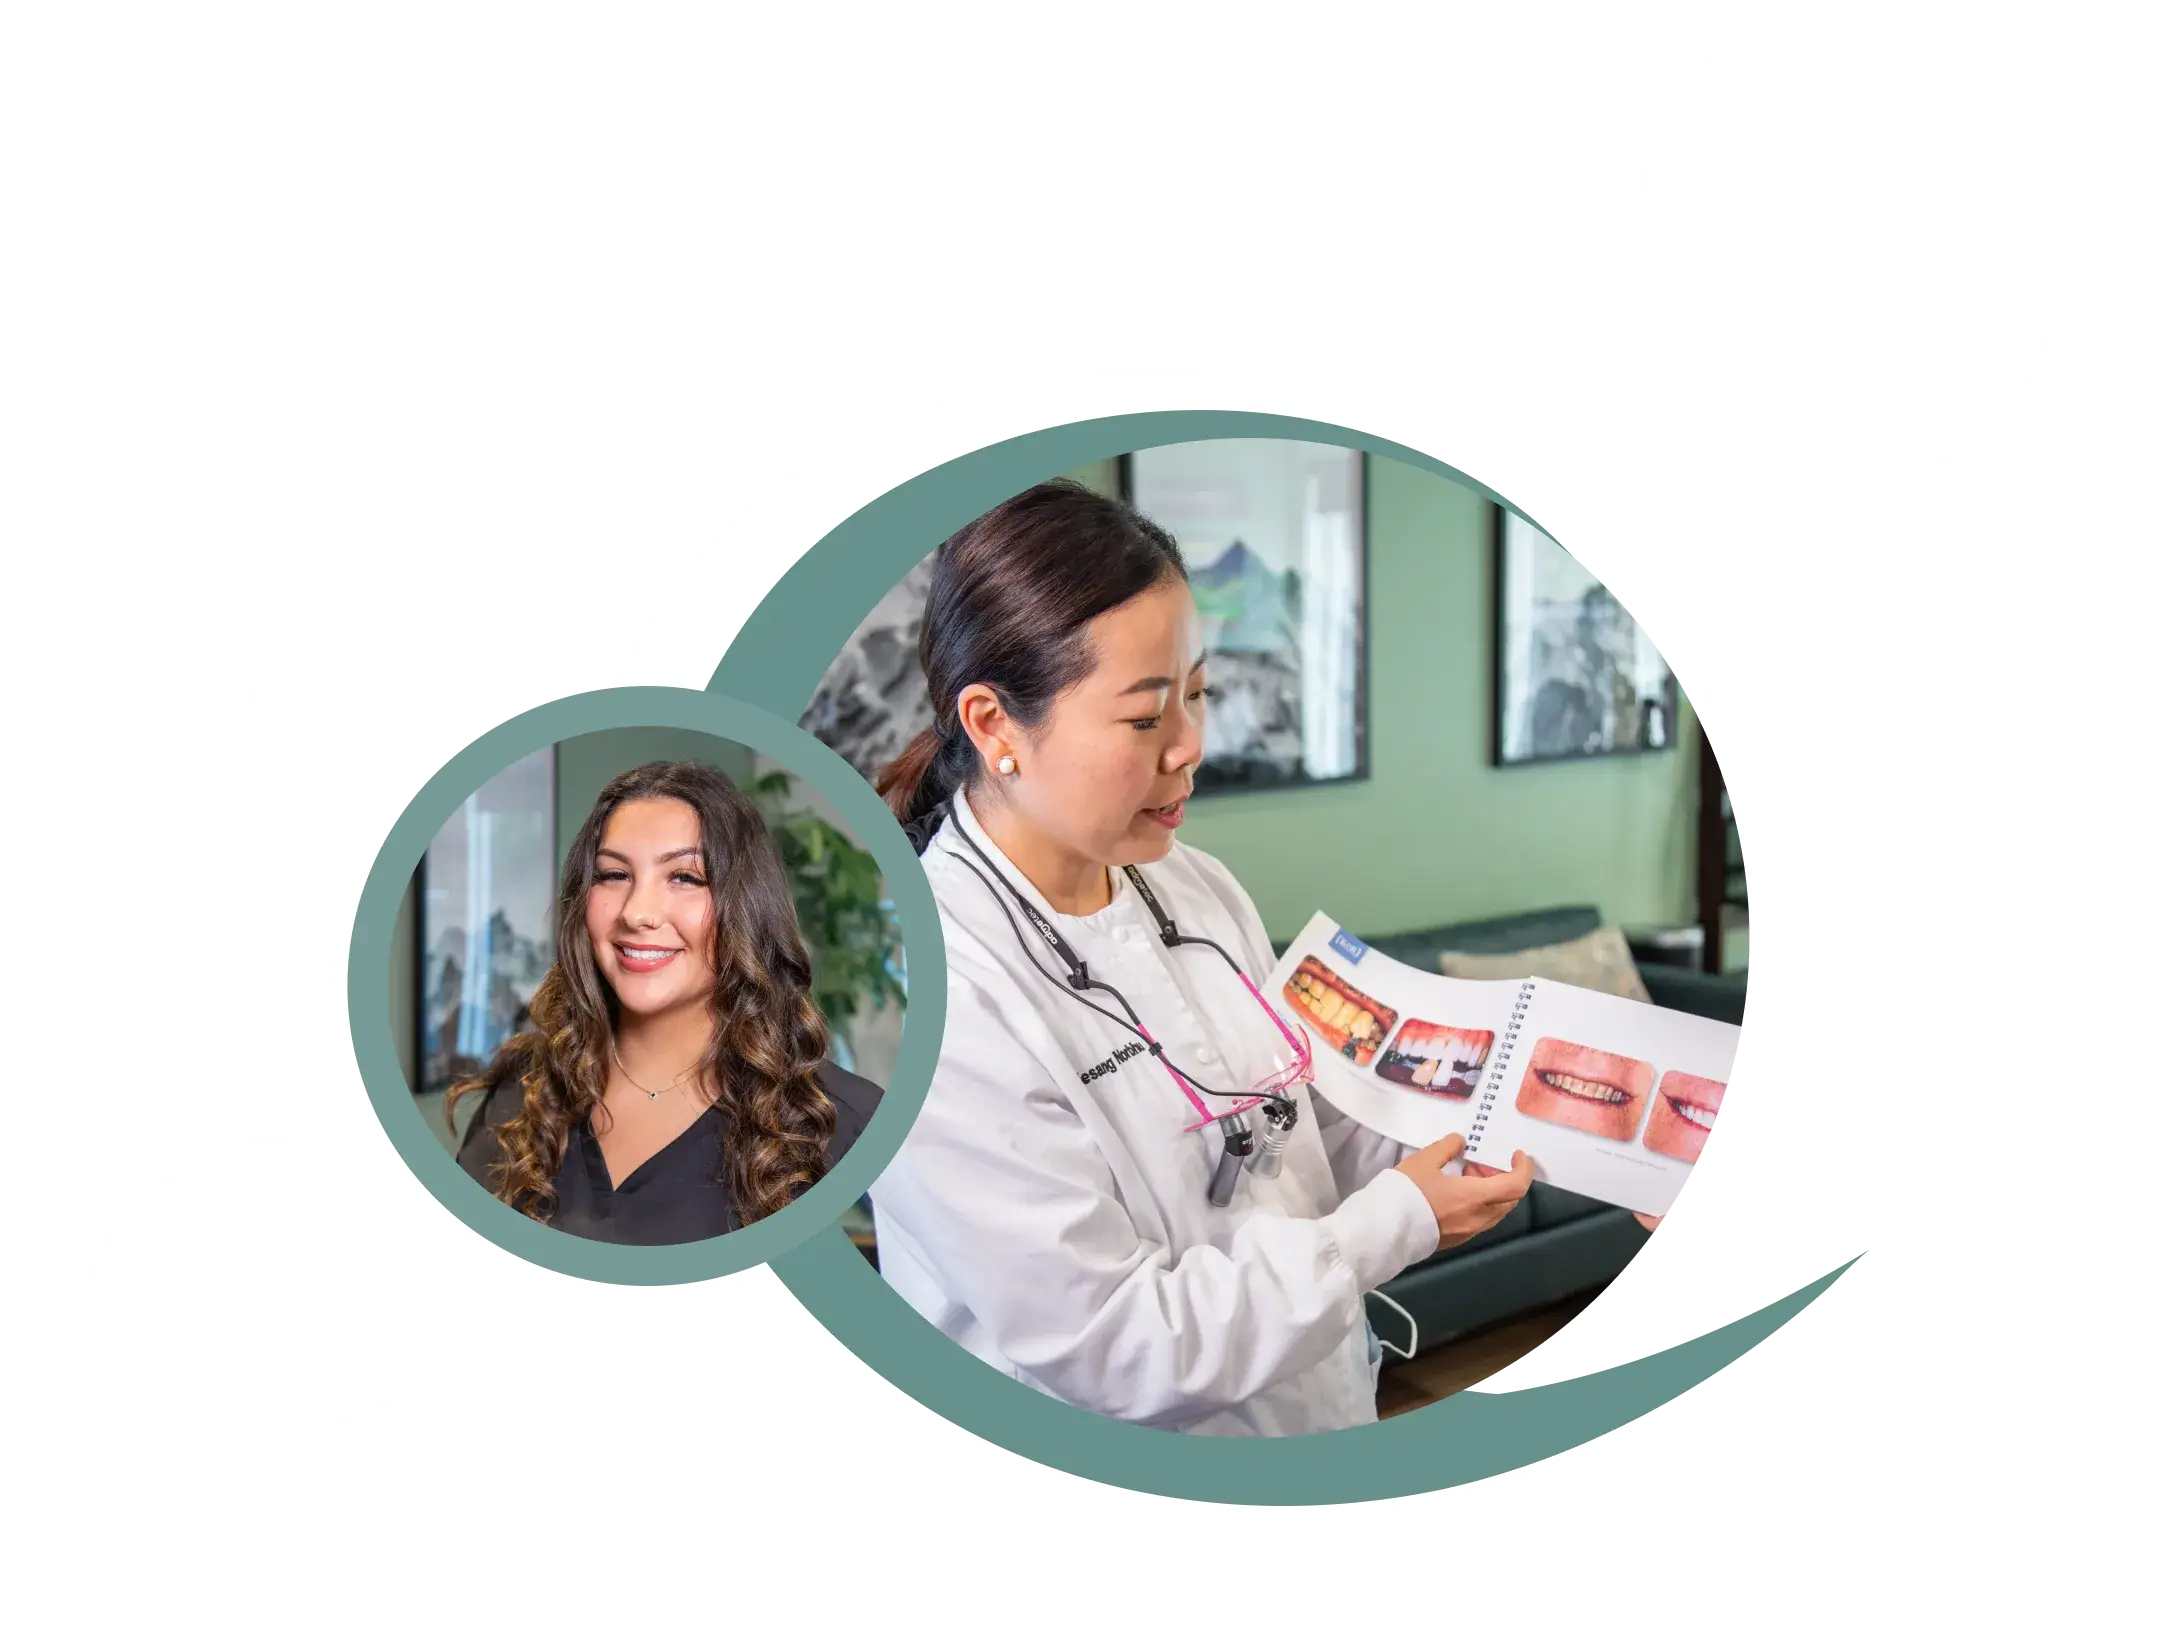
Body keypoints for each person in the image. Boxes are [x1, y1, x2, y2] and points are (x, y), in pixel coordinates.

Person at [867, 480, 1659, 1438]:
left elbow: (1319, 1128)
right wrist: (1399, 1222)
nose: (1191, 747)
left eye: (1199, 692)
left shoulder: (1192, 885)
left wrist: (1585, 1142)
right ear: (995, 725)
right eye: (1144, 715)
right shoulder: (937, 995)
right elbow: (1116, 1344)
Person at [451, 760, 882, 1246]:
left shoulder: (850, 1119)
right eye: (613, 875)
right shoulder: (520, 1089)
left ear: (745, 905)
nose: (637, 913)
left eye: (685, 877)